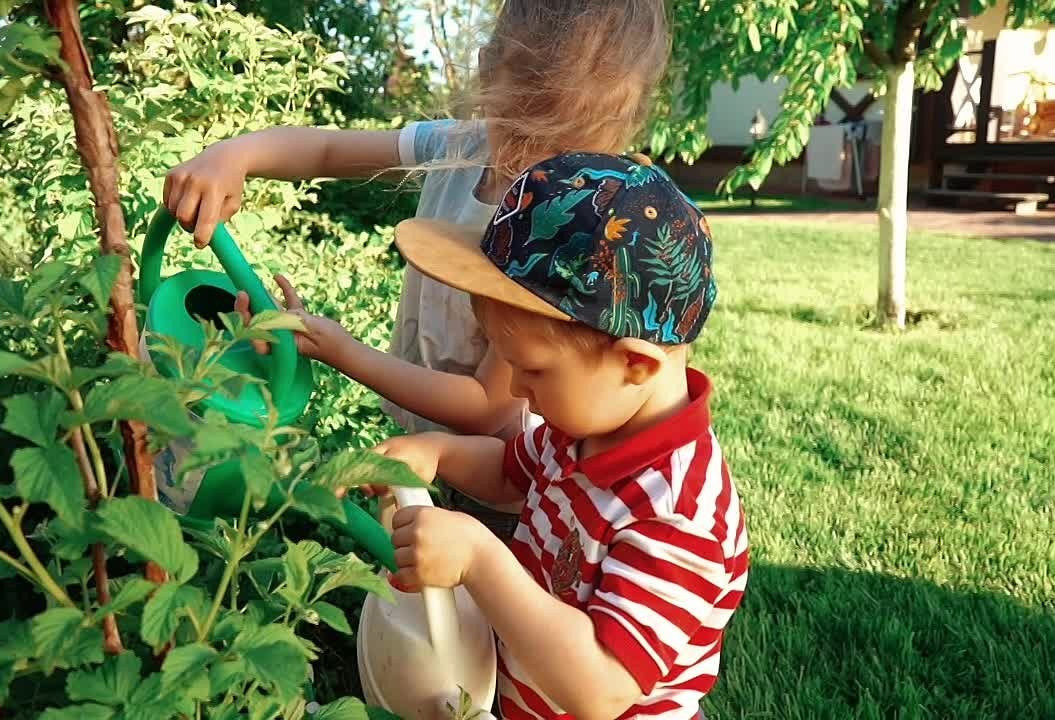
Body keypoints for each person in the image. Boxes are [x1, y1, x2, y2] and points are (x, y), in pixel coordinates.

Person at [160, 0, 671, 537]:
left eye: (565, 153)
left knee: (470, 610)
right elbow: (330, 150)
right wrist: (237, 154)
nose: (535, 173)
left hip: (512, 488)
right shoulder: (457, 145)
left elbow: (484, 407)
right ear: (486, 72)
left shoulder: (573, 222)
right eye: (520, 132)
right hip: (439, 459)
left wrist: (342, 351)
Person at [370, 152, 748, 720]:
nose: (517, 389)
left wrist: (479, 558)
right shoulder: (579, 430)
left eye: (535, 369)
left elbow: (598, 689)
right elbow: (506, 473)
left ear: (635, 366)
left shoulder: (680, 514)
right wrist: (437, 453)